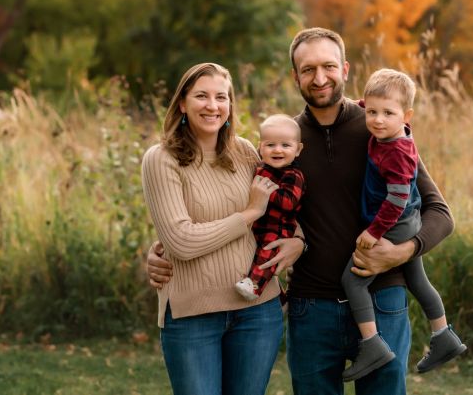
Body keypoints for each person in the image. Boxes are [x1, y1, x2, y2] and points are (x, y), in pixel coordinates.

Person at [147, 28, 454, 395]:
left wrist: (403, 251)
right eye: (308, 69)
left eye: (328, 66)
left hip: (381, 299)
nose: (319, 78)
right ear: (295, 77)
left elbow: (439, 212)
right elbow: (241, 202)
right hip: (311, 309)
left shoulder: (381, 130)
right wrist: (164, 247)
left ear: (345, 69)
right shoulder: (283, 142)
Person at [141, 62, 285, 395]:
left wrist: (297, 243)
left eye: (221, 97)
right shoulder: (161, 158)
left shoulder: (247, 152)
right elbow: (182, 242)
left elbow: (284, 210)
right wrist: (248, 215)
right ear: (182, 103)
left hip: (257, 311)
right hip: (194, 315)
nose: (212, 105)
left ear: (231, 105)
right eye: (201, 96)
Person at [341, 69, 466, 381]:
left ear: (406, 116)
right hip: (408, 220)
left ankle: (371, 344)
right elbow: (374, 106)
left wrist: (374, 232)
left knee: (353, 280)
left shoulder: (397, 151)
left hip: (396, 222)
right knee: (418, 281)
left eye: (387, 113)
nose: (378, 120)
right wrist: (362, 105)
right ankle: (444, 335)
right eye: (371, 112)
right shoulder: (394, 131)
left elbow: (396, 200)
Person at [235, 114, 306, 300]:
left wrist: (265, 190)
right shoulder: (259, 168)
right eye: (270, 145)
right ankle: (279, 296)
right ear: (260, 147)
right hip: (257, 223)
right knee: (252, 255)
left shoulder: (293, 175)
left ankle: (254, 287)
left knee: (267, 254)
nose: (278, 150)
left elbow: (289, 202)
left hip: (278, 227)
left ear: (298, 150)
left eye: (285, 145)